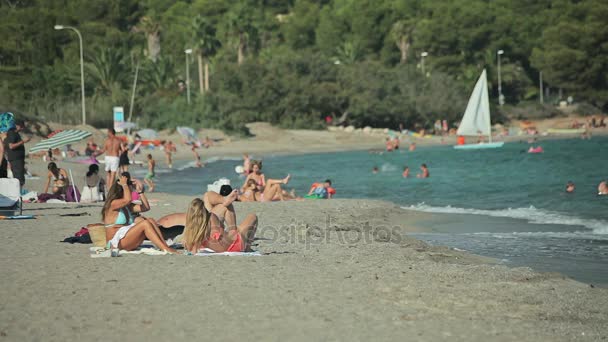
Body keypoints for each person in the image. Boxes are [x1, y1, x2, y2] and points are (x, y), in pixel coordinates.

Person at [102, 174, 177, 253]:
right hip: (116, 243)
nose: (131, 191)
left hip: (125, 238)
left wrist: (140, 192)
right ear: (122, 190)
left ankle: (164, 245)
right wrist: (124, 184)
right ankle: (165, 249)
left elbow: (146, 208)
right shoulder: (113, 204)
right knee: (145, 223)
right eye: (130, 189)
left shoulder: (127, 206)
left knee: (150, 220)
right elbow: (128, 199)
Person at [182, 197, 258, 254]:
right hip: (235, 245)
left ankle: (234, 229)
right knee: (253, 217)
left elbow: (192, 250)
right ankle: (247, 248)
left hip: (221, 247)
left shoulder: (190, 231)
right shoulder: (211, 216)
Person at [3, 119, 29, 187]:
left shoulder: (14, 133)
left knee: (19, 178)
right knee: (19, 179)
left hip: (16, 159)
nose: (22, 128)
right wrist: (23, 141)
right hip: (16, 159)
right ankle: (18, 194)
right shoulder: (12, 133)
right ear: (18, 126)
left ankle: (18, 193)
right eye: (22, 126)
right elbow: (11, 146)